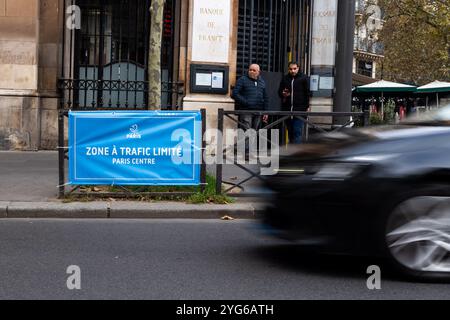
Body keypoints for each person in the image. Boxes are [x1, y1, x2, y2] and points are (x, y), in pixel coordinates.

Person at [278, 61, 310, 144]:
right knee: (290, 132)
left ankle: (296, 154)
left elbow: (308, 93)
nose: (293, 71)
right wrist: (283, 94)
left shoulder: (304, 78)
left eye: (294, 69)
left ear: (298, 68)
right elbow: (279, 92)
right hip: (287, 110)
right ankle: (292, 152)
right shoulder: (285, 78)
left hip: (300, 110)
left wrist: (307, 107)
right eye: (291, 69)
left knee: (297, 131)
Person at [232, 64, 269, 131]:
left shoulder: (262, 82)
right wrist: (246, 102)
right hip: (246, 111)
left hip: (258, 111)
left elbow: (265, 97)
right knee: (246, 131)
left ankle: (251, 142)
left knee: (254, 131)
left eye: (254, 70)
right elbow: (235, 93)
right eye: (250, 70)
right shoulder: (242, 80)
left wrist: (266, 111)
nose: (251, 71)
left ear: (258, 72)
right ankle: (246, 142)